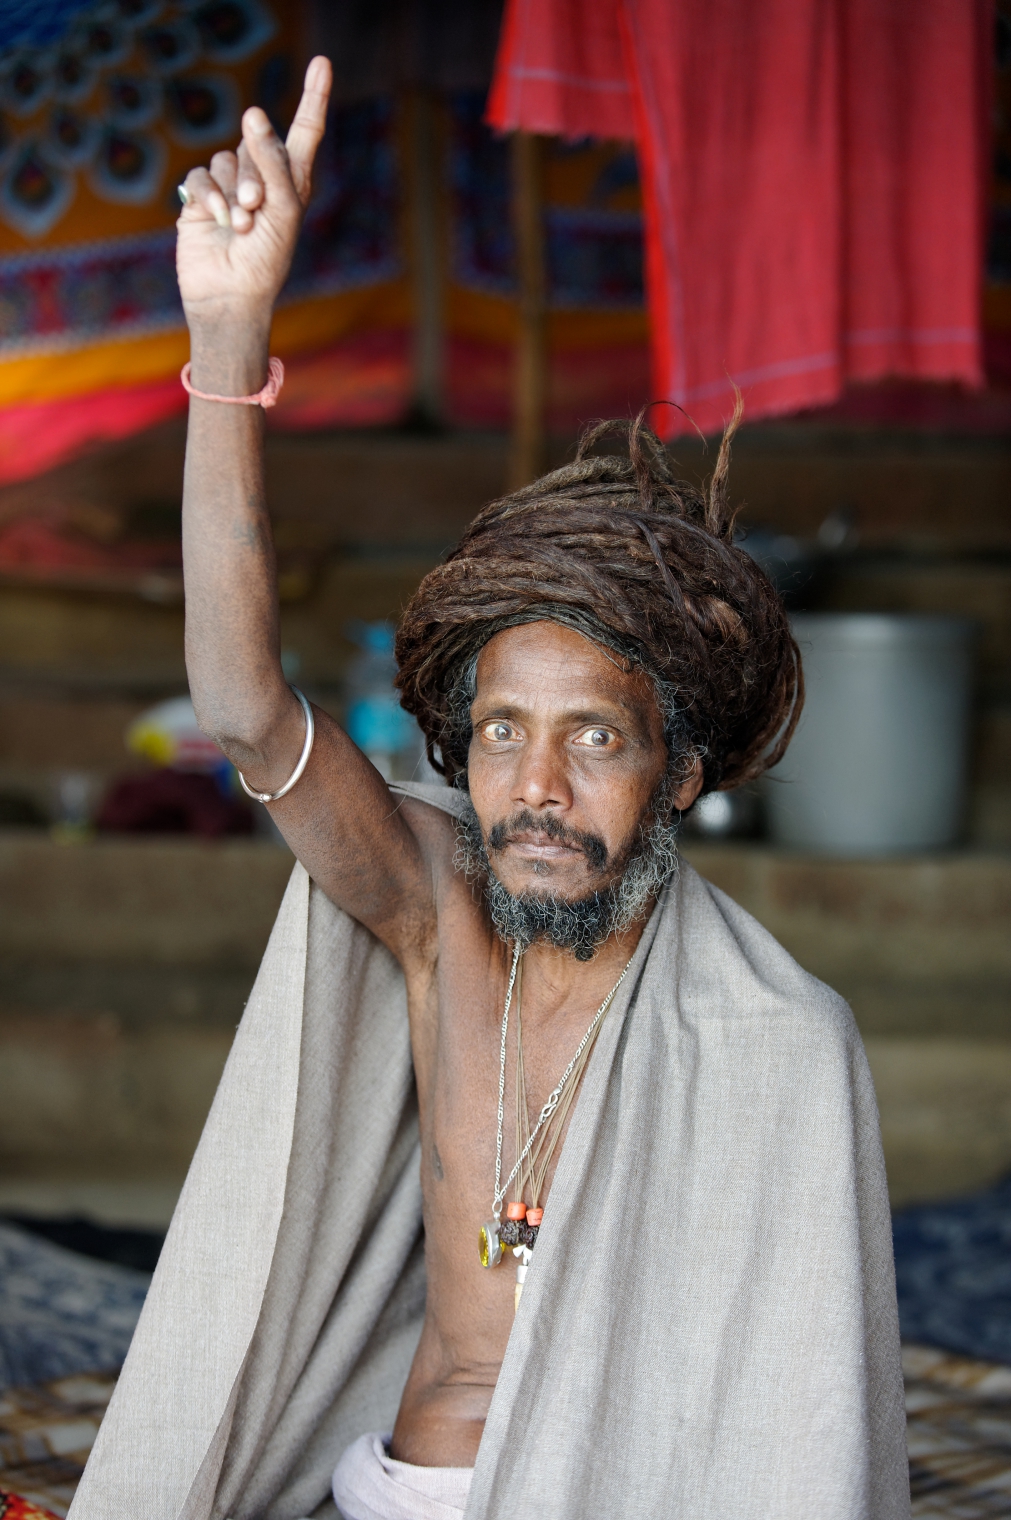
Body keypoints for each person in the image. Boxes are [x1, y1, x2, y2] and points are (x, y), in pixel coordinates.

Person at [68, 58, 909, 1520]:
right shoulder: (437, 920)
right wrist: (228, 330)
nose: (538, 786)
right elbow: (245, 706)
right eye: (504, 733)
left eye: (597, 741)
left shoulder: (776, 1042)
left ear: (680, 775)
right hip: (403, 1486)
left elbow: (795, 1425)